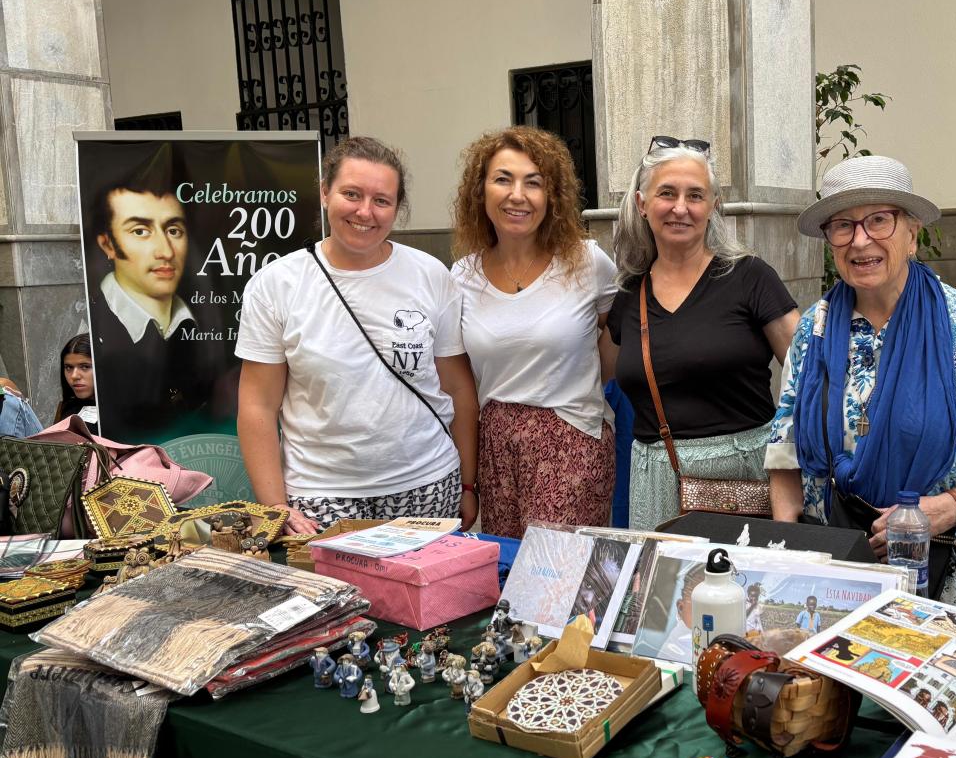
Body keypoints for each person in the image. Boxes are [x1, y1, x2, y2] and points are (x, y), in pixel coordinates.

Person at [766, 155, 956, 615]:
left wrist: (945, 508)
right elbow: (786, 456)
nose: (860, 240)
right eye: (843, 226)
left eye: (879, 221)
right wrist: (794, 553)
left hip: (943, 574)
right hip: (832, 575)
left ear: (912, 234)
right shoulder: (813, 329)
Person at [236, 136, 479, 535]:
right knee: (337, 600)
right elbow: (258, 405)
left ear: (396, 208)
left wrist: (469, 484)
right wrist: (275, 506)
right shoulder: (276, 285)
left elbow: (457, 387)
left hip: (428, 485)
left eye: (381, 200)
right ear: (324, 193)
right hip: (322, 497)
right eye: (352, 194)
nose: (365, 211)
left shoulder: (431, 275)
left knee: (432, 599)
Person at [602, 137, 798, 531]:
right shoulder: (628, 293)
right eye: (667, 193)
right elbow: (599, 380)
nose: (680, 208)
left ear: (713, 205)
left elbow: (806, 380)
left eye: (695, 195)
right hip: (656, 483)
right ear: (642, 204)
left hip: (745, 482)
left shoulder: (750, 277)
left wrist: (791, 496)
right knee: (662, 593)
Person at [450, 126, 618, 536]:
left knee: (558, 579)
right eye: (503, 179)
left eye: (534, 182)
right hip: (495, 447)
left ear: (552, 196)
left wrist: (579, 385)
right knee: (506, 576)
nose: (517, 195)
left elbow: (613, 338)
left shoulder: (587, 262)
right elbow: (461, 390)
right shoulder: (460, 277)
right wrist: (467, 481)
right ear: (481, 190)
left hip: (571, 436)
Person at [86, 177, 226, 438]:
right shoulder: (93, 324)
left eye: (174, 230)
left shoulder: (210, 322)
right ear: (107, 244)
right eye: (140, 231)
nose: (165, 251)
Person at [53, 334, 99, 432]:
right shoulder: (69, 407)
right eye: (69, 367)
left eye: (85, 367)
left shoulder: (124, 413)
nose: (74, 376)